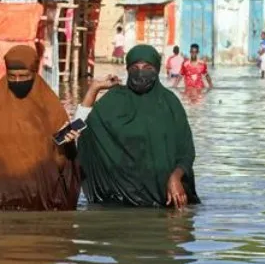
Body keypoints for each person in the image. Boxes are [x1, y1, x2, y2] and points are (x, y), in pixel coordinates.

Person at [74, 45, 200, 209]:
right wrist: (94, 89)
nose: (141, 72)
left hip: (166, 200)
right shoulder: (114, 101)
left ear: (156, 69)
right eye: (135, 68)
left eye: (147, 68)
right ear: (127, 70)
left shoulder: (169, 103)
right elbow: (74, 131)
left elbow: (187, 152)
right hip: (119, 202)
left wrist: (175, 178)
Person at [0, 45, 81, 211]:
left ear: (34, 73)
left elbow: (62, 157)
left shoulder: (49, 104)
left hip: (42, 200)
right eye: (12, 76)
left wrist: (69, 143)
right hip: (1, 201)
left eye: (24, 76)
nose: (18, 81)